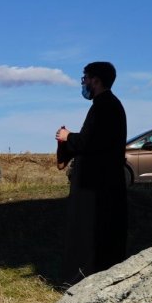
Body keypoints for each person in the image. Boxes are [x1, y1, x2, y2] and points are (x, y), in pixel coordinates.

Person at [55, 61, 128, 284]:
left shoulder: (105, 106)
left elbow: (91, 142)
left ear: (96, 80)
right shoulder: (108, 105)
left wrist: (68, 137)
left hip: (96, 183)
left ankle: (82, 277)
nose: (84, 83)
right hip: (102, 181)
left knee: (89, 230)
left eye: (85, 78)